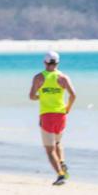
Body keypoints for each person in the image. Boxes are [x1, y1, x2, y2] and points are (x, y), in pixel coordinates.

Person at [29, 51, 76, 186]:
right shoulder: (63, 77)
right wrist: (68, 108)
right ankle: (62, 162)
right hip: (61, 114)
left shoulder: (39, 77)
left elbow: (31, 96)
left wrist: (42, 96)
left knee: (49, 149)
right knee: (57, 143)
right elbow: (73, 95)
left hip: (47, 115)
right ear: (57, 63)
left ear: (45, 62)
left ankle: (60, 175)